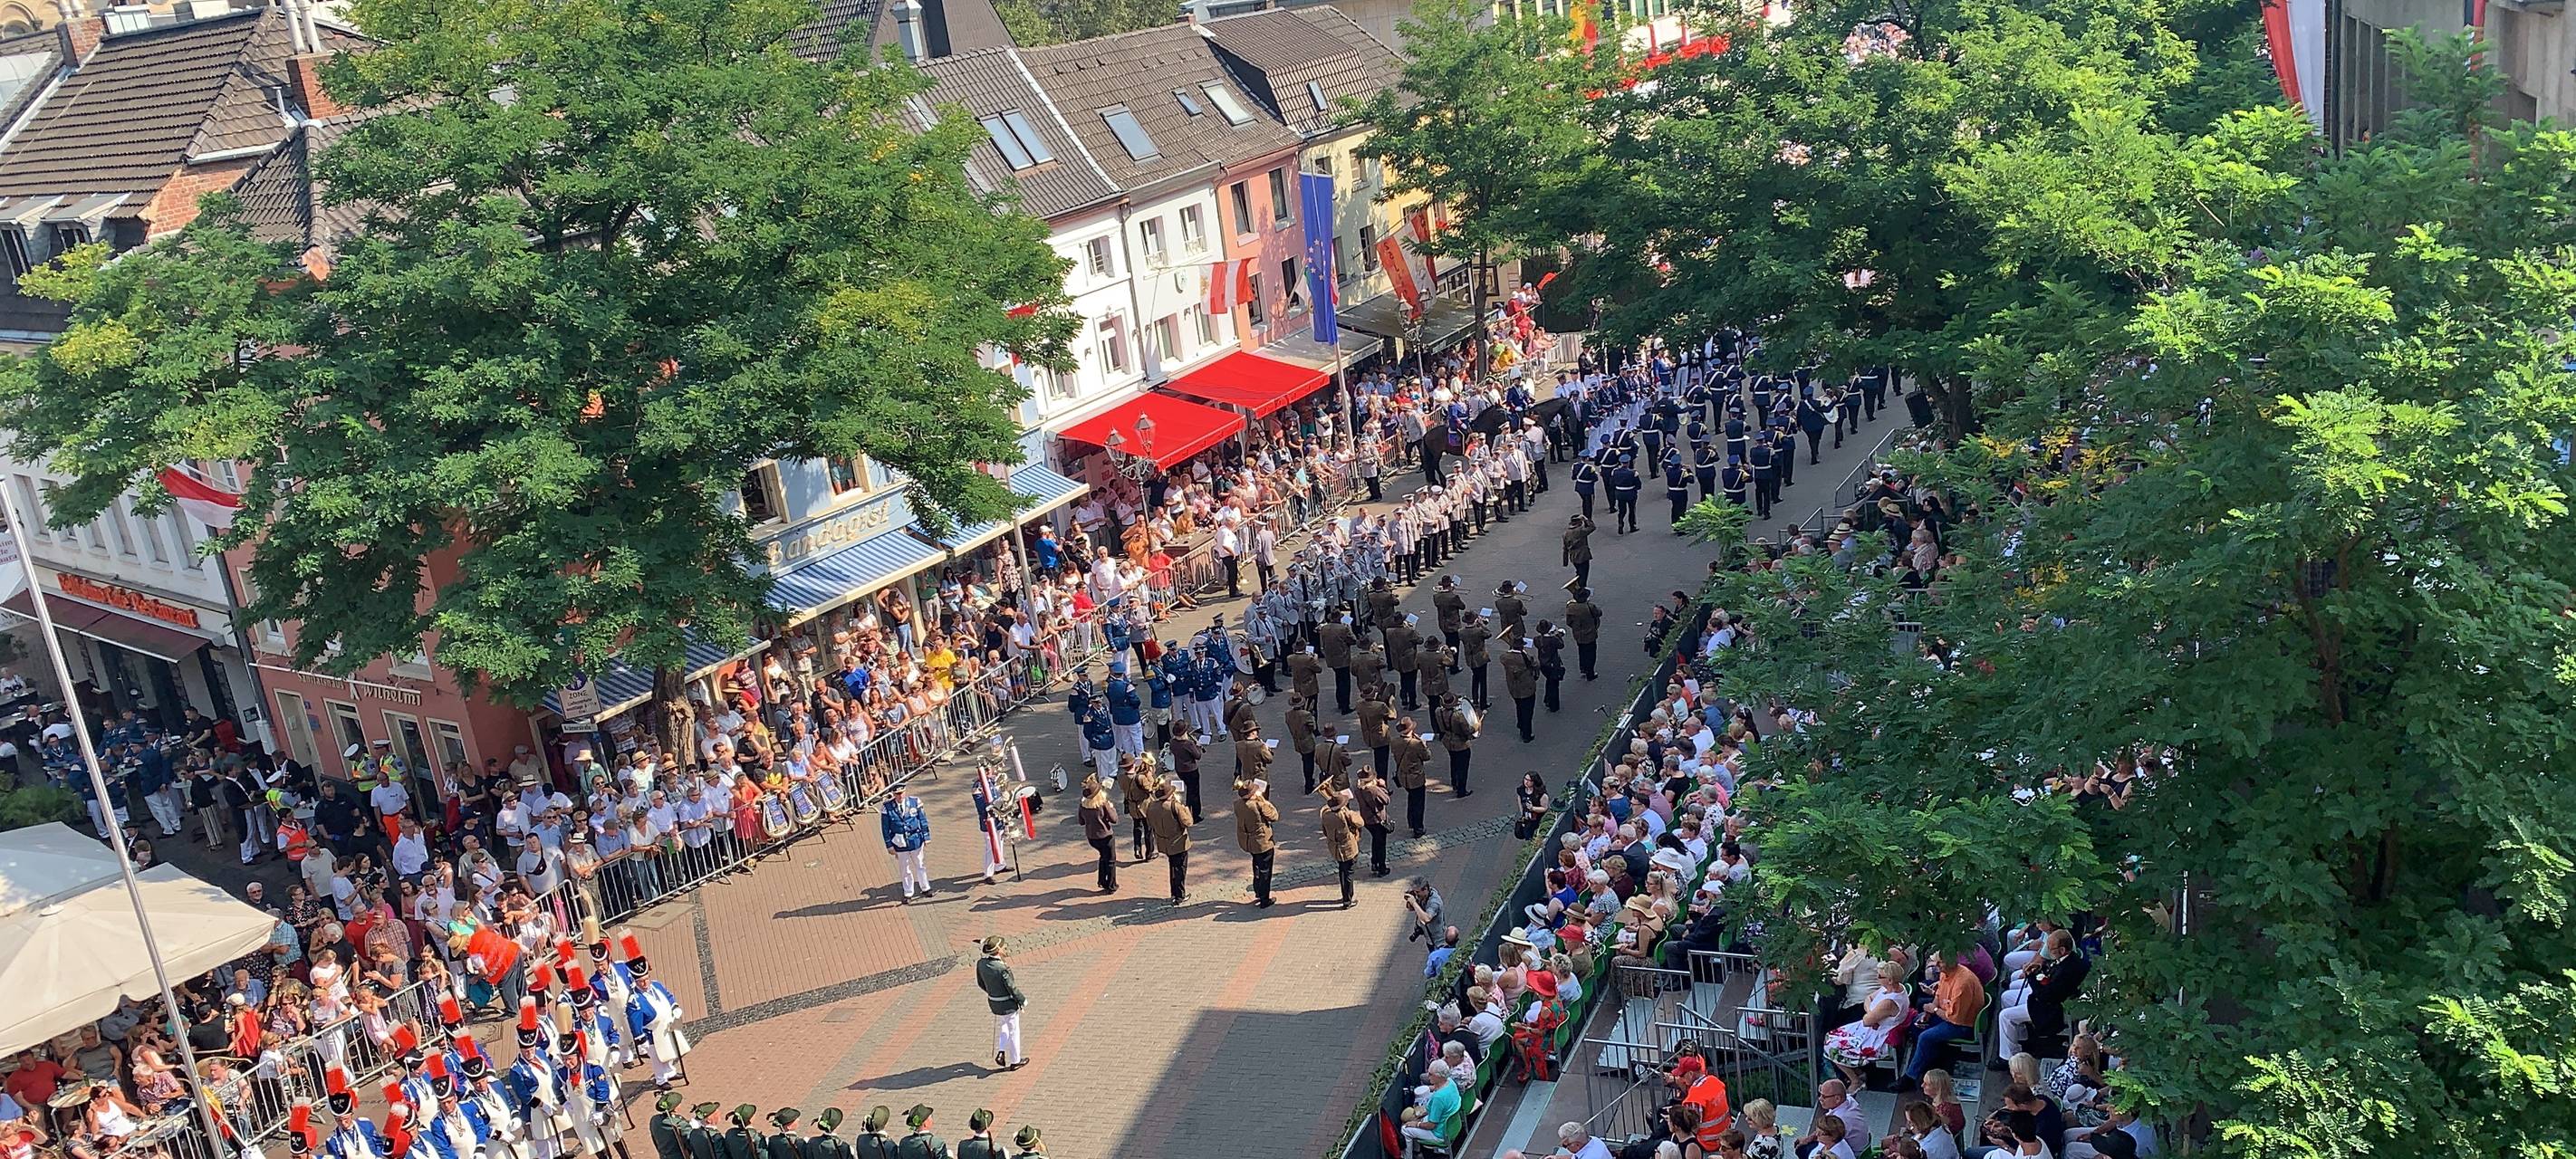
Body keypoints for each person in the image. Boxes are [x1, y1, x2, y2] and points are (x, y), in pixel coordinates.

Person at [974, 937, 1026, 1072]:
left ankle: (1001, 1051)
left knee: (1004, 1025)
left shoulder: (981, 964)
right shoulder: (1002, 969)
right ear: (998, 950)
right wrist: (1022, 1000)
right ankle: (1015, 1060)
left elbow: (981, 983)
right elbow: (1012, 988)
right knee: (1014, 1030)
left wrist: (993, 993)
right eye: (1002, 947)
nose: (1005, 948)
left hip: (994, 1002)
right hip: (1008, 1004)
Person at [1144, 779, 1194, 905]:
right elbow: (1188, 822)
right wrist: (1185, 808)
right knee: (1180, 868)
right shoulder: (1174, 806)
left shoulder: (1151, 806)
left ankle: (1174, 892)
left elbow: (1149, 822)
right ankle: (1179, 895)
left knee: (1172, 866)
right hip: (1178, 842)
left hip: (1163, 842)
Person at [880, 785, 933, 903]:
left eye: (901, 793)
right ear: (893, 794)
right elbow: (885, 828)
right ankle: (908, 892)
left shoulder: (915, 802)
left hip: (915, 840)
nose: (900, 796)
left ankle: (925, 888)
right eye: (897, 794)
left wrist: (926, 836)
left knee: (920, 864)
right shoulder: (887, 807)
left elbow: (922, 820)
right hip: (899, 842)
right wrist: (889, 845)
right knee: (905, 868)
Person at [1233, 778, 1279, 909]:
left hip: (1248, 842)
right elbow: (1274, 816)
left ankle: (1258, 891)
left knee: (1257, 866)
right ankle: (1265, 899)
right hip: (1262, 842)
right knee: (1265, 870)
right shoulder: (1258, 805)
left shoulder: (1237, 804)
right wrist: (1263, 800)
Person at [1076, 774, 1118, 894]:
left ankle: (1102, 881)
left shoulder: (1083, 805)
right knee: (1110, 860)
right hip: (1106, 837)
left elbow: (1081, 822)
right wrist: (1111, 808)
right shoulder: (1102, 805)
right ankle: (1111, 885)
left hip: (1092, 838)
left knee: (1103, 857)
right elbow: (1114, 819)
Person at [1321, 789, 1361, 908]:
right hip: (1348, 847)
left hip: (1334, 847)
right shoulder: (1345, 814)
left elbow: (1324, 831)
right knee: (1349, 873)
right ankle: (1348, 900)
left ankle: (1344, 896)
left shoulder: (1325, 815)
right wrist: (1350, 812)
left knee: (1342, 871)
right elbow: (1360, 822)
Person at [1431, 694, 1478, 798]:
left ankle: (1454, 783)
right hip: (1460, 743)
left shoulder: (1438, 711)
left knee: (1453, 761)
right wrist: (1476, 726)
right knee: (1463, 766)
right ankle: (1461, 790)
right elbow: (1467, 730)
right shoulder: (1458, 716)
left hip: (1447, 740)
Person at [1403, 877, 1443, 943]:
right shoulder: (1422, 896)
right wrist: (1409, 900)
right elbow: (1410, 909)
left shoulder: (1434, 902)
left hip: (1438, 941)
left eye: (1417, 892)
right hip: (1429, 937)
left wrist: (1414, 902)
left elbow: (1427, 919)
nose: (1416, 894)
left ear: (1425, 889)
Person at [1562, 514, 1594, 589]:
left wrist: (1565, 561)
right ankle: (1581, 591)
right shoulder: (1580, 531)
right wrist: (1586, 519)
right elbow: (1592, 527)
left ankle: (1578, 587)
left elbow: (1565, 548)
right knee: (1584, 575)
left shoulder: (1566, 533)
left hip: (1573, 556)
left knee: (1579, 572)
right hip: (1583, 555)